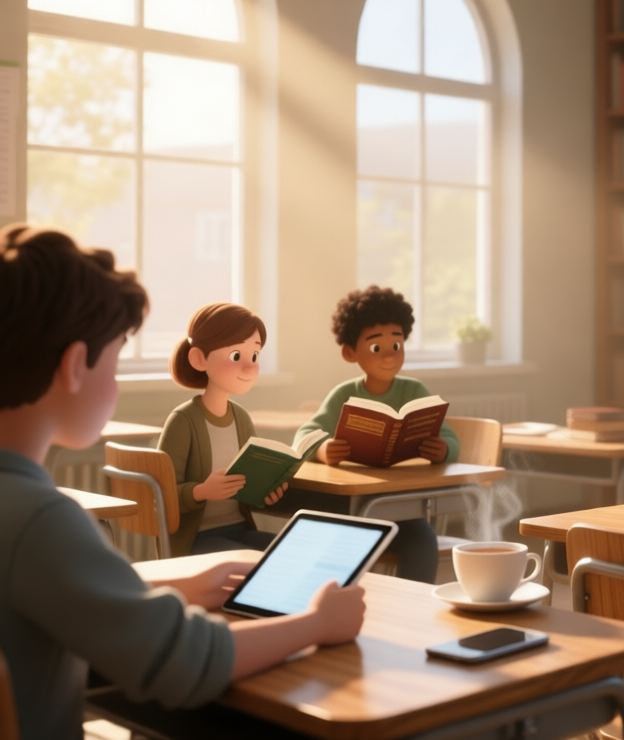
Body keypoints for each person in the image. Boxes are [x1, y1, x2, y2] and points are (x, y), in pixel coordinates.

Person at [0, 223, 365, 740]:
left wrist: (181, 587)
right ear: (75, 366)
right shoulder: (41, 520)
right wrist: (317, 623)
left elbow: (51, 596)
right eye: (117, 358)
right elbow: (184, 663)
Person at [295, 285, 459, 583]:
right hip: (353, 508)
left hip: (404, 508)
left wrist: (443, 449)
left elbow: (451, 440)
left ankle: (414, 606)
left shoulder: (415, 391)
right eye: (376, 347)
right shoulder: (343, 394)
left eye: (396, 346)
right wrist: (322, 449)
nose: (388, 357)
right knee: (338, 543)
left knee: (423, 541)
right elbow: (304, 436)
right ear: (350, 352)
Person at [159, 302, 287, 556]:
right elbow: (161, 497)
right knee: (256, 563)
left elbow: (248, 484)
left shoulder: (241, 418)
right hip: (195, 540)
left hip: (239, 530)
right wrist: (202, 491)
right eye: (236, 356)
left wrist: (266, 491)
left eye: (255, 356)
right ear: (199, 359)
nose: (249, 367)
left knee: (292, 552)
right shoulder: (183, 421)